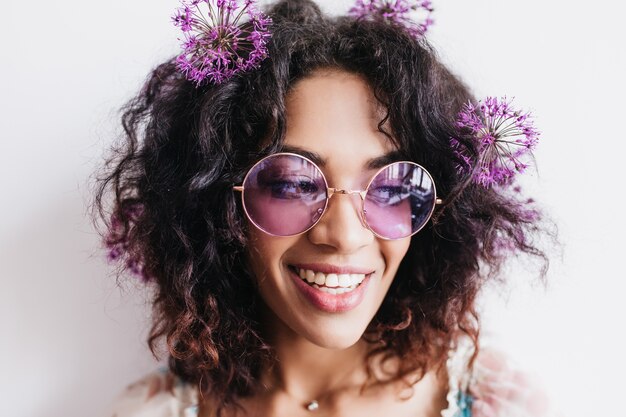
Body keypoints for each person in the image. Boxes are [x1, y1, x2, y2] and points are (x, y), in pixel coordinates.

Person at [95, 0, 553, 416]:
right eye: (293, 184)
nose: (345, 235)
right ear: (218, 206)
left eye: (393, 189)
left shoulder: (505, 405)